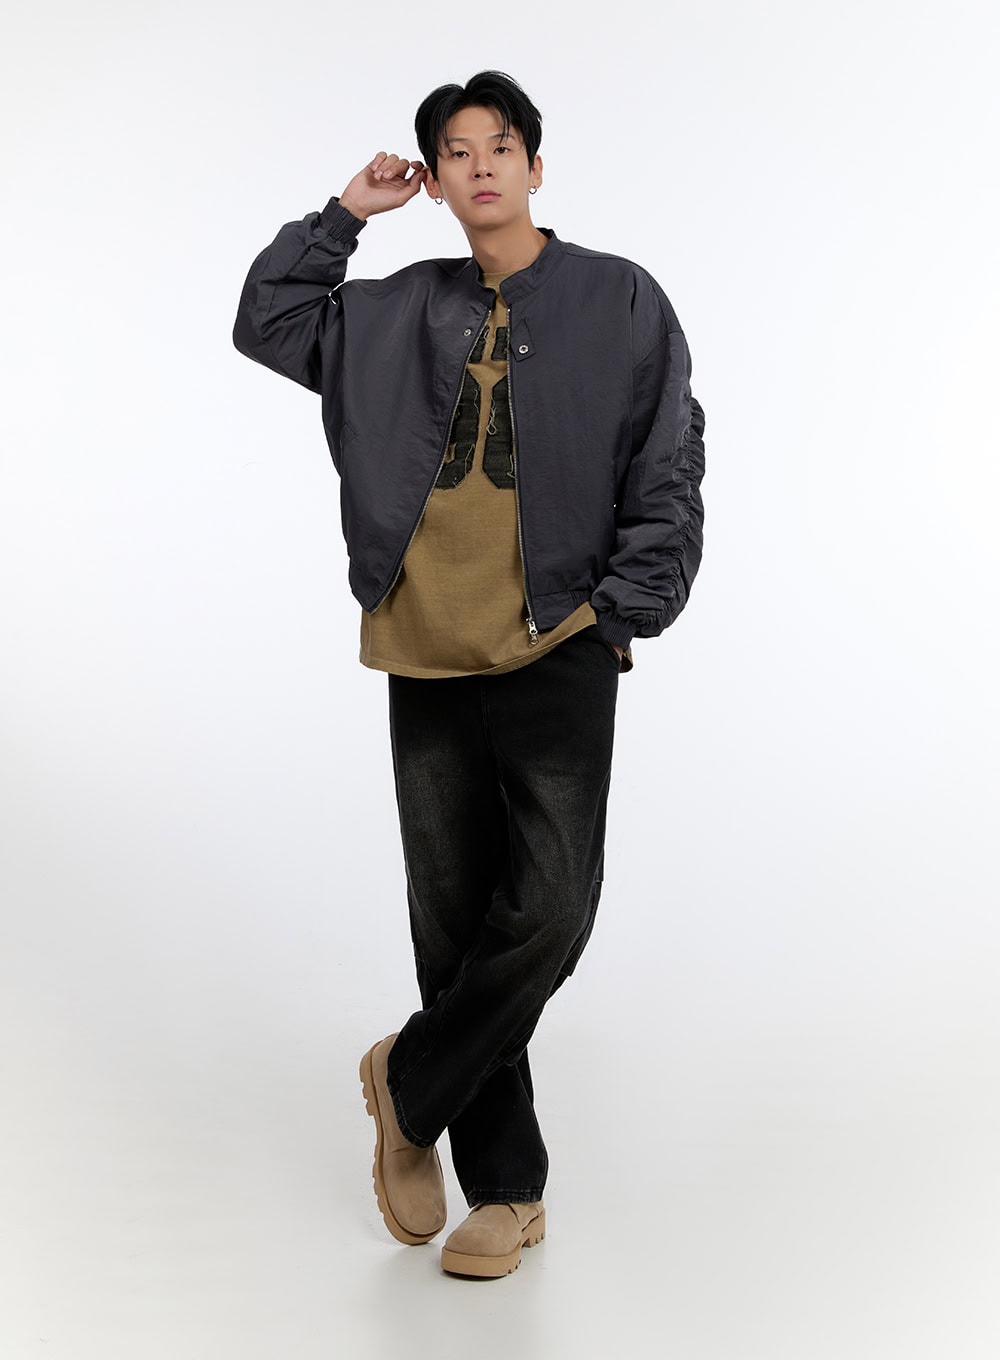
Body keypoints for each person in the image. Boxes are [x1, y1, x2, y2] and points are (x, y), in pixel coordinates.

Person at [233, 70, 706, 1279]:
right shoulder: (394, 309)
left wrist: (623, 610)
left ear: (535, 167)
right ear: (436, 181)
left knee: (549, 909)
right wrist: (345, 214)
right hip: (426, 639)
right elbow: (268, 321)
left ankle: (409, 1078)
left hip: (560, 633)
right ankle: (505, 1192)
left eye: (501, 145)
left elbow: (667, 456)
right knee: (453, 926)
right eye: (457, 150)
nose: (482, 164)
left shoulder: (618, 297)